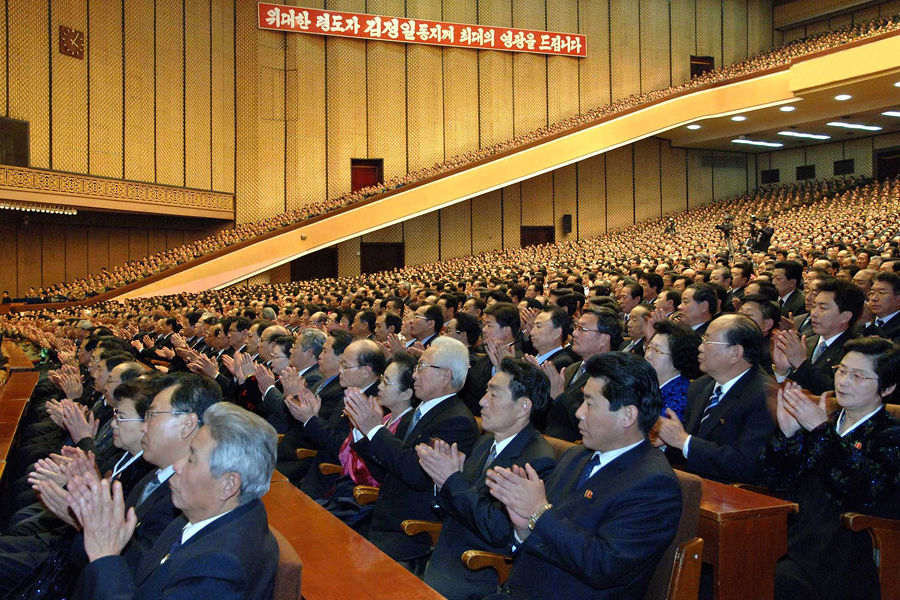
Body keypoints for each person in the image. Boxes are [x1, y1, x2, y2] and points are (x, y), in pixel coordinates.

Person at [483, 352, 682, 599]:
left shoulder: (653, 484)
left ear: (628, 415)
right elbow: (546, 535)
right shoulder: (576, 457)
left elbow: (604, 566)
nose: (578, 413)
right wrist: (523, 529)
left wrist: (539, 513)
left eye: (589, 403)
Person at [69, 401, 279, 600]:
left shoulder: (221, 568)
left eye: (191, 459)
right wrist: (103, 530)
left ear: (228, 485)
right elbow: (146, 573)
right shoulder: (199, 515)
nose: (177, 466)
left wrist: (105, 558)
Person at [763, 337, 900, 600]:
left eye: (858, 376)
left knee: (776, 578)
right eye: (842, 371)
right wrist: (788, 436)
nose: (844, 381)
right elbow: (776, 481)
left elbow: (863, 489)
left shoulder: (890, 434)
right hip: (798, 537)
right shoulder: (821, 420)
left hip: (847, 547)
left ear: (887, 387)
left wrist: (820, 431)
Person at [418, 358, 557, 600]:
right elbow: (455, 507)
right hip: (444, 557)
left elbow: (498, 530)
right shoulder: (486, 442)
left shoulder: (534, 460)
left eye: (494, 394)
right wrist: (443, 483)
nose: (481, 401)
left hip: (475, 571)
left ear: (523, 407)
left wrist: (452, 480)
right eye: (486, 392)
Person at [346, 337, 479, 569]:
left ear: (446, 376)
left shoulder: (457, 420)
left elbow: (416, 474)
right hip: (382, 521)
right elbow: (385, 469)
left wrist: (375, 430)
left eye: (422, 367)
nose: (415, 375)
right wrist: (362, 431)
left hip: (410, 531)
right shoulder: (420, 412)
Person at [656, 313, 775, 484]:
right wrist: (667, 442)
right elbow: (686, 448)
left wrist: (683, 441)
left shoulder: (763, 395)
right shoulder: (700, 386)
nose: (700, 348)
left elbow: (745, 465)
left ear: (735, 352)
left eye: (707, 341)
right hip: (695, 486)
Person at [644, 319, 701, 421]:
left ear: (678, 358)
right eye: (649, 347)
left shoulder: (680, 397)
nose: (648, 355)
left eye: (657, 350)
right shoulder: (645, 383)